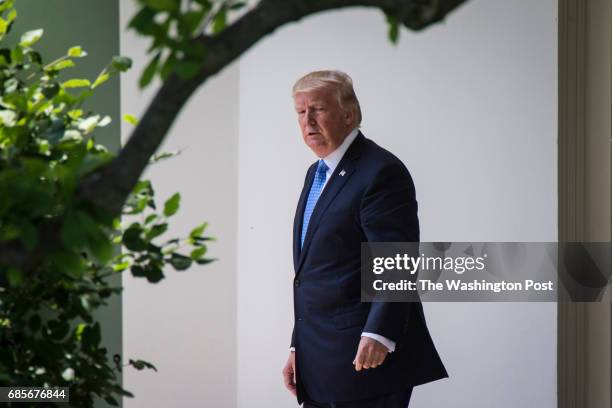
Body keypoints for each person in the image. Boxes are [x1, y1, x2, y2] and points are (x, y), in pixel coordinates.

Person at [282, 71, 448, 408]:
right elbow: (313, 274)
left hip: (367, 355)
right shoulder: (316, 173)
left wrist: (379, 334)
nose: (308, 121)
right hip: (319, 357)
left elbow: (397, 259)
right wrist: (298, 346)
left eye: (318, 109)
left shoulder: (380, 171)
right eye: (301, 112)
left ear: (349, 114)